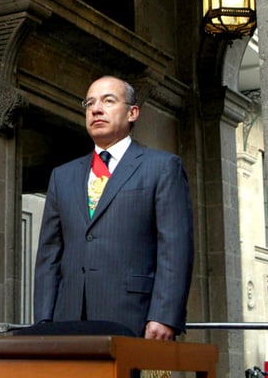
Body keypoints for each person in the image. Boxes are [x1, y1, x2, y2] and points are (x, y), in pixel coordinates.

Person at [33, 75, 194, 339]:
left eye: (108, 101)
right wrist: (43, 318)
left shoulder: (162, 167)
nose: (96, 109)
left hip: (135, 318)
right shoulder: (62, 176)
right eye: (90, 103)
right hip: (68, 319)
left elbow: (175, 248)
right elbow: (49, 254)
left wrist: (164, 316)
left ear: (133, 112)